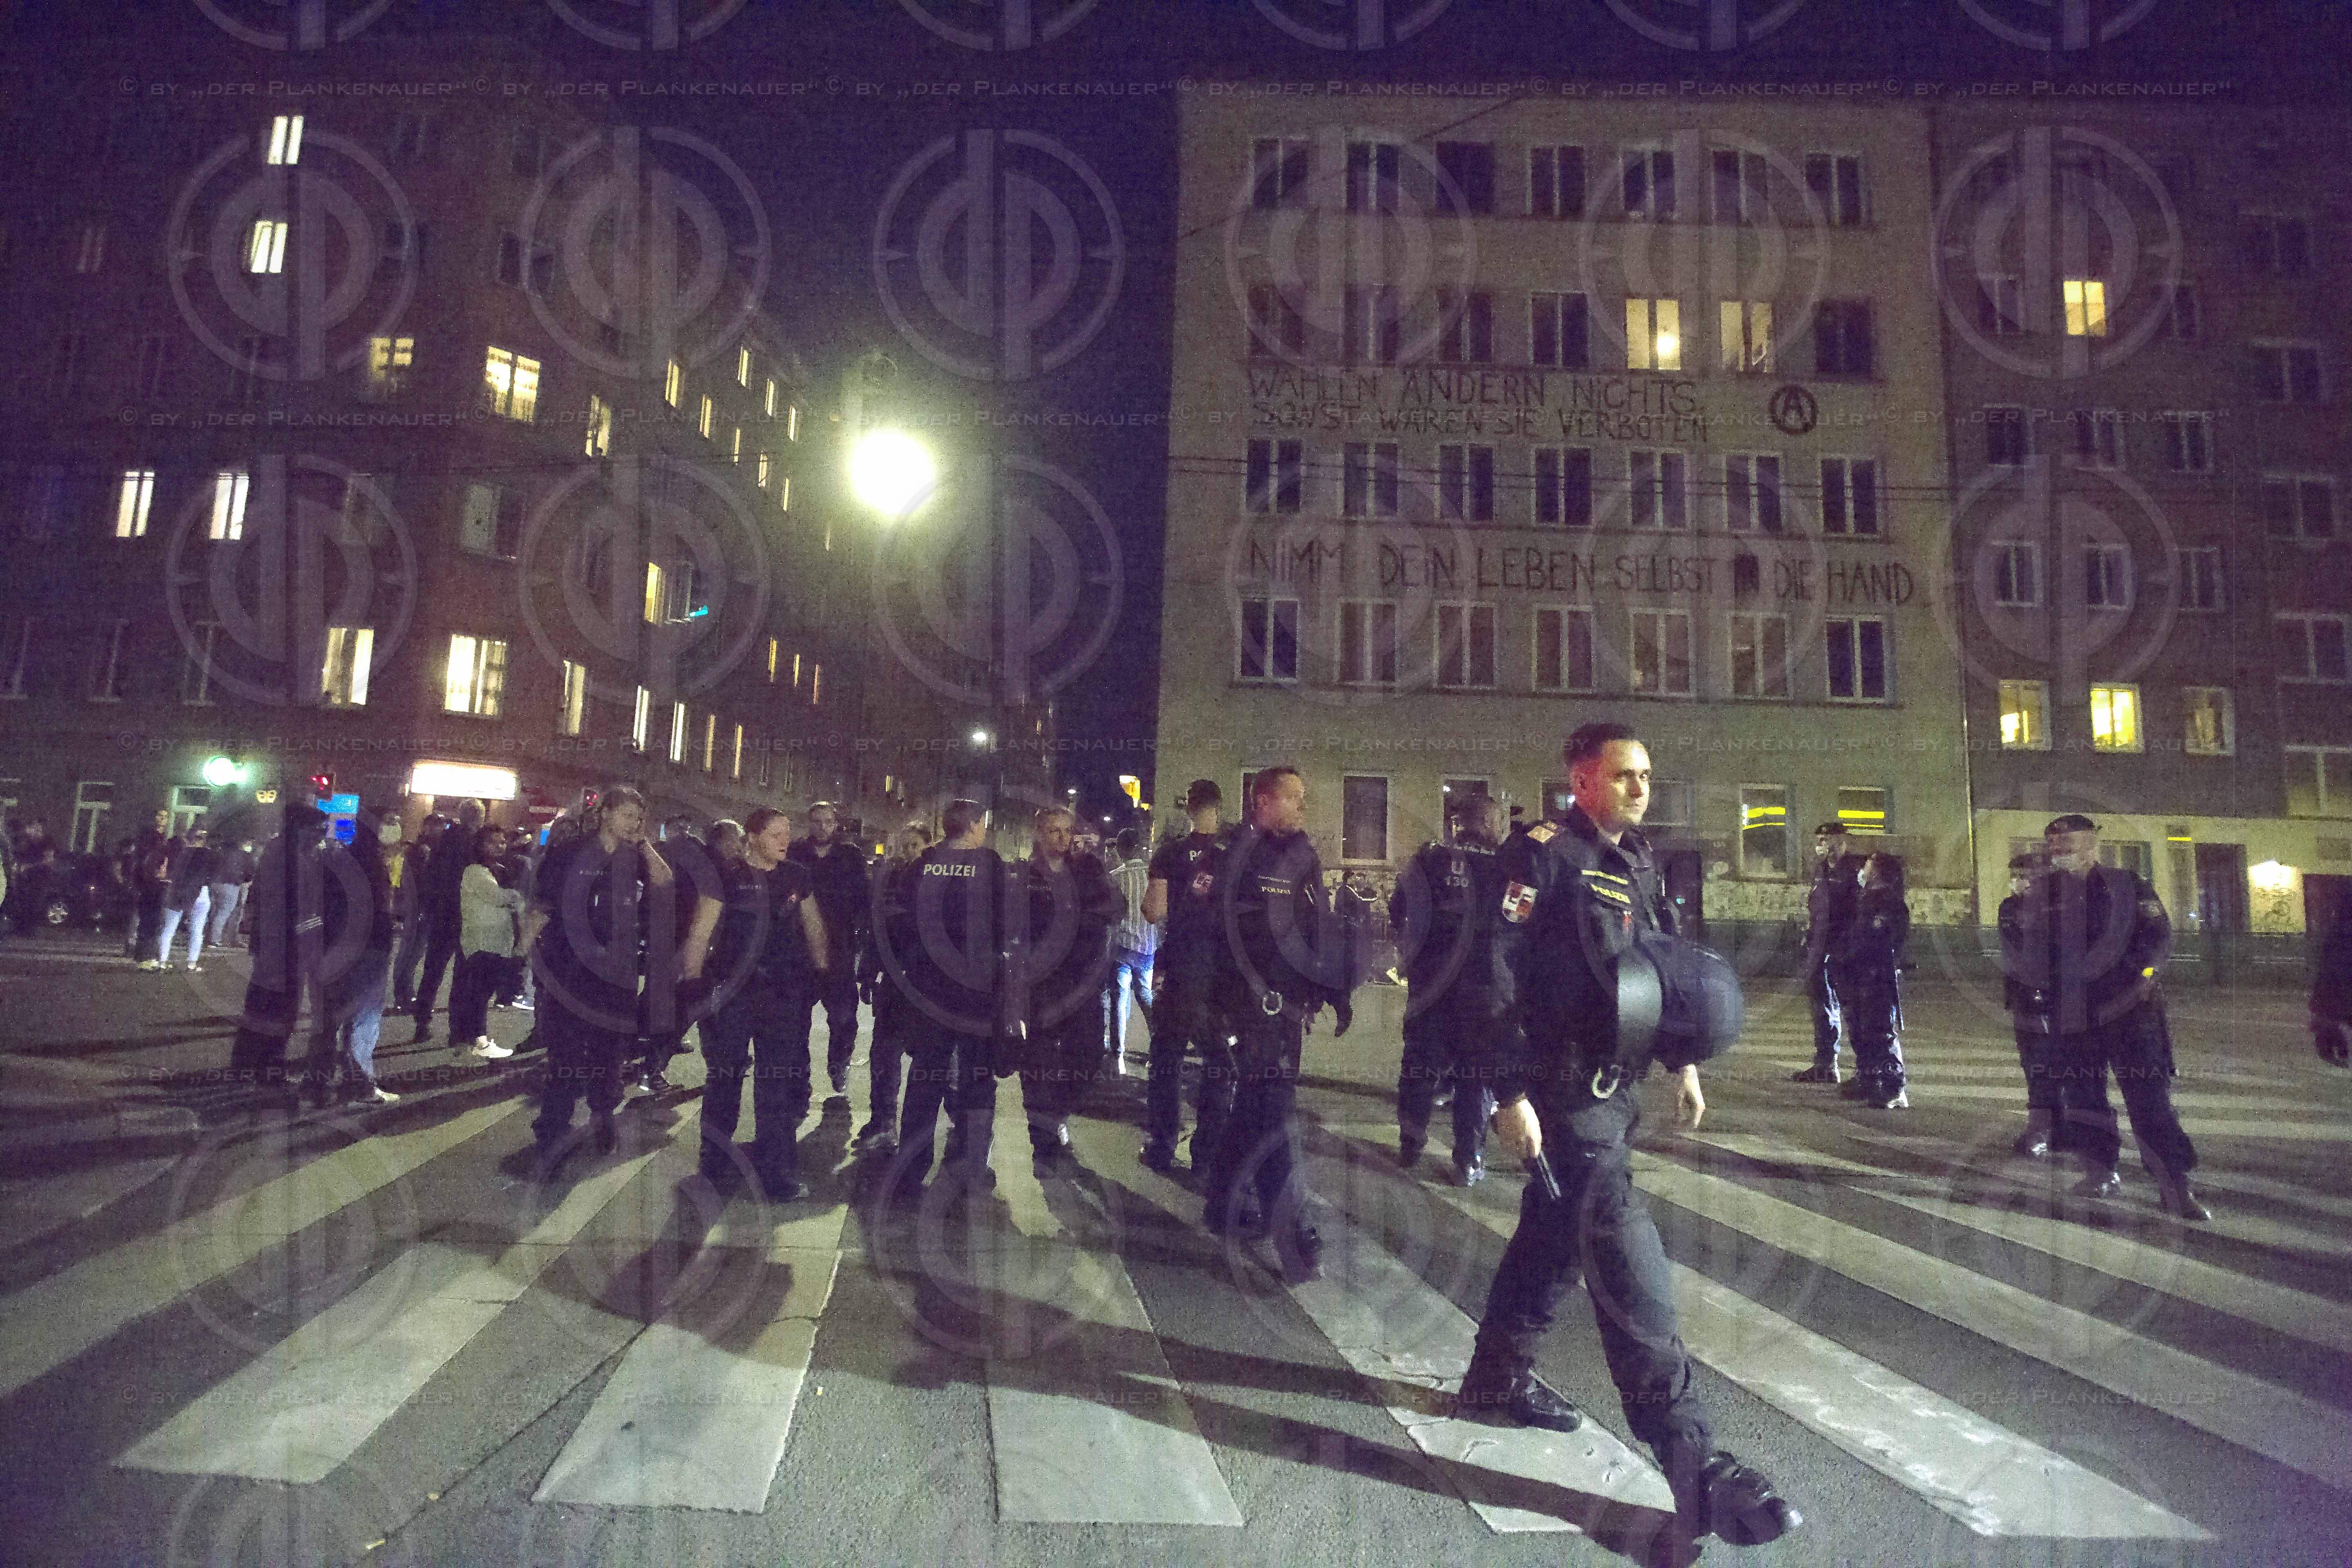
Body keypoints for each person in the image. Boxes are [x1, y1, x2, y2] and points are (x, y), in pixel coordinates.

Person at [1456, 720, 1799, 1552]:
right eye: (1622, 775)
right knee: (1621, 1252)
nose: (1639, 787)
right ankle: (1693, 1461)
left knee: (1552, 1236)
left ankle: (1495, 1379)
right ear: (1580, 779)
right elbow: (1488, 972)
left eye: (1646, 773)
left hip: (1616, 1090)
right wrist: (1506, 1092)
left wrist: (1682, 1061)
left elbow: (1656, 964)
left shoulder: (1638, 860)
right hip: (1559, 1092)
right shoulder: (1539, 858)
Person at [2007, 814, 2209, 1220]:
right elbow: (2034, 949)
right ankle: (2100, 1172)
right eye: (2056, 846)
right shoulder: (2045, 894)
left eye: (2070, 844)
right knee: (2084, 1098)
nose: (2061, 852)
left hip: (2131, 1010)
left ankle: (2175, 1186)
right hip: (2073, 1014)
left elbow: (2158, 938)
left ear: (2092, 845)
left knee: (2150, 1100)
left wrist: (2145, 976)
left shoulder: (2127, 885)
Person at [1203, 766, 1354, 1283]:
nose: (1303, 807)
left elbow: (1315, 929)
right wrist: (1211, 1010)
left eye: (1304, 798)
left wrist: (1329, 992)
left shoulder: (1304, 857)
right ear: (1262, 801)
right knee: (1276, 1116)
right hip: (1246, 1010)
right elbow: (1211, 937)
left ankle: (1221, 1204)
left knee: (1254, 1110)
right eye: (1294, 798)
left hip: (1287, 1010)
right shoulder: (1234, 856)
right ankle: (1296, 1239)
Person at [682, 806, 829, 1198]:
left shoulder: (797, 876)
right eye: (776, 835)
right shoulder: (727, 876)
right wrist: (693, 981)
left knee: (776, 1085)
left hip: (782, 994)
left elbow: (813, 925)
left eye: (787, 833)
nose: (785, 841)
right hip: (733, 993)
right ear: (754, 836)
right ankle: (713, 1163)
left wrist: (822, 969)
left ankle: (775, 1172)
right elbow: (702, 929)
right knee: (725, 1079)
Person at [526, 786, 672, 1161]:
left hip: (618, 971)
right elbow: (543, 906)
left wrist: (643, 845)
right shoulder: (570, 852)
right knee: (567, 1051)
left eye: (638, 818)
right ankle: (553, 1128)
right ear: (605, 813)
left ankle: (603, 1115)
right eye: (626, 815)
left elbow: (664, 880)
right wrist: (520, 950)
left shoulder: (634, 856)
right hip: (570, 967)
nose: (632, 823)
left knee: (611, 1049)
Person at [886, 799, 1012, 1197]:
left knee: (925, 1077)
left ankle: (911, 1167)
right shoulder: (990, 865)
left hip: (929, 988)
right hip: (976, 991)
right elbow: (1010, 925)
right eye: (984, 824)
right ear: (974, 825)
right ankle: (972, 1166)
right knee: (977, 1079)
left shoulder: (921, 865)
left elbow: (902, 921)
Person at [1388, 795, 1509, 1186]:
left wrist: (1411, 948)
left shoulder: (1431, 859)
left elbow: (1398, 907)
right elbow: (1521, 927)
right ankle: (1469, 1160)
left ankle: (1411, 1143)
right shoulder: (1507, 866)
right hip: (1483, 989)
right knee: (1477, 1074)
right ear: (1491, 824)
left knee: (1420, 1065)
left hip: (1431, 985)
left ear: (1461, 824)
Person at [1013, 806, 1124, 1175]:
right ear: (1038, 833)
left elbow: (1113, 907)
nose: (1061, 839)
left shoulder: (1086, 869)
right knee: (1038, 1066)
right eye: (1053, 832)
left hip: (1081, 983)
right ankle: (1042, 1145)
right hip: (1040, 985)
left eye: (1066, 832)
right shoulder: (1024, 876)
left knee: (1089, 1055)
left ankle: (1059, 1113)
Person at [1139, 779, 1236, 1175]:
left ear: (1189, 807)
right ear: (1218, 806)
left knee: (1167, 1058)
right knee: (1219, 1061)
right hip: (1221, 973)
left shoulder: (1170, 854)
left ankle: (1163, 1145)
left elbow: (1153, 912)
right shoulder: (1234, 857)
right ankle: (1207, 1151)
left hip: (1180, 967)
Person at [226, 802, 335, 1107]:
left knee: (260, 1005)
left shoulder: (278, 850)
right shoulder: (295, 858)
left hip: (272, 941)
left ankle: (245, 1064)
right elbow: (303, 905)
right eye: (318, 829)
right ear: (301, 828)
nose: (322, 835)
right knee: (280, 1009)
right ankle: (269, 1068)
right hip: (288, 944)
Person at [853, 820, 935, 1153]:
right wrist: (868, 973)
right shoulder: (888, 882)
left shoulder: (937, 882)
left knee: (927, 1062)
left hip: (926, 985)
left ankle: (918, 1133)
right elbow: (878, 929)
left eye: (915, 846)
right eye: (903, 846)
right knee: (884, 1054)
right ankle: (883, 1122)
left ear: (928, 847)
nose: (908, 852)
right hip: (893, 981)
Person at [309, 808, 400, 1106]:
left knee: (329, 1020)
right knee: (363, 1020)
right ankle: (359, 1086)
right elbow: (377, 911)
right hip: (367, 948)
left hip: (333, 947)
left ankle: (317, 1086)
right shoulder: (372, 864)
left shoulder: (336, 859)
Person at [787, 801, 871, 1102]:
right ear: (808, 823)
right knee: (796, 1020)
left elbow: (864, 898)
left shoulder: (850, 856)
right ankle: (800, 1081)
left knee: (844, 1016)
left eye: (828, 822)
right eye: (816, 821)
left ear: (836, 824)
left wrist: (860, 934)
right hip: (800, 949)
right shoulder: (796, 853)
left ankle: (839, 1063)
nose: (822, 827)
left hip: (840, 948)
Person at [1831, 851, 1910, 1109]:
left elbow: (1886, 940)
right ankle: (1867, 1077)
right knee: (1860, 1029)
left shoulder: (1890, 903)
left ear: (1877, 872)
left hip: (1877, 975)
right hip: (1856, 973)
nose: (1862, 870)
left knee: (1880, 1031)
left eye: (1867, 866)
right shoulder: (1863, 899)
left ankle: (1893, 1087)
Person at [1998, 853, 2065, 1156]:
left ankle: (2053, 1128)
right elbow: (2017, 946)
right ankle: (2044, 1126)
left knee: (2057, 1064)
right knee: (2035, 1063)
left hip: (2060, 997)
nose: (2018, 881)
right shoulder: (2010, 908)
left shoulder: (2060, 908)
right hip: (2026, 995)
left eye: (2025, 875)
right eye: (2015, 875)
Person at [411, 800, 486, 1042]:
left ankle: (422, 1022)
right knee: (462, 976)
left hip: (444, 915)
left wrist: (431, 908)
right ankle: (456, 1028)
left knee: (433, 971)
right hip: (466, 917)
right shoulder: (478, 845)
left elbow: (430, 878)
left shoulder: (444, 841)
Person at [1790, 822, 1859, 1084]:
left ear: (1840, 841)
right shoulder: (1820, 870)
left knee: (1853, 1009)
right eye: (1818, 838)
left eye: (1825, 838)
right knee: (1821, 1006)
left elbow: (1857, 913)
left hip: (1844, 949)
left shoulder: (1854, 871)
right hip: (1819, 948)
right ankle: (1826, 1065)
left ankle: (1866, 1069)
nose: (1819, 843)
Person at [451, 824, 523, 1061]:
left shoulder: (498, 869)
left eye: (503, 841)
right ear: (481, 845)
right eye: (494, 842)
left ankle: (467, 1037)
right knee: (480, 993)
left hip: (493, 941)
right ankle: (479, 1040)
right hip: (482, 941)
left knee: (479, 992)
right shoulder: (475, 871)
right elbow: (500, 897)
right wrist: (515, 898)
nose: (500, 846)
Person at [1105, 828, 1156, 1071]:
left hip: (1122, 948)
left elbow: (1111, 915)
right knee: (1146, 997)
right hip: (1147, 948)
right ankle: (1158, 1051)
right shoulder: (1152, 875)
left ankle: (1118, 1058)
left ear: (1122, 849)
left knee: (1119, 999)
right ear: (1139, 847)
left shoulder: (1115, 877)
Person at [390, 816, 446, 1011]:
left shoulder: (421, 850)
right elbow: (420, 882)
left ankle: (405, 994)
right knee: (411, 952)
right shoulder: (422, 851)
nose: (439, 831)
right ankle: (402, 995)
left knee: (413, 952)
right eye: (436, 827)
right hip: (418, 908)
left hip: (417, 907)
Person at [155, 826, 220, 973]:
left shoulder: (178, 852)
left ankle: (162, 962)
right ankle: (192, 964)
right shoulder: (209, 855)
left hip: (177, 890)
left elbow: (167, 870)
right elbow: (214, 875)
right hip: (200, 892)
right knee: (197, 930)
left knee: (169, 928)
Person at [127, 808, 178, 968]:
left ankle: (146, 956)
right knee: (149, 920)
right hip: (150, 884)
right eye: (160, 816)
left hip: (154, 884)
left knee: (151, 921)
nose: (162, 820)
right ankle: (144, 957)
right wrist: (158, 871)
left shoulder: (160, 838)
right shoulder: (150, 838)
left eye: (165, 817)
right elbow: (149, 861)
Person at [2312, 898, 2352, 1069]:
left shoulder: (2335, 932)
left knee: (2330, 1018)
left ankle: (2333, 1050)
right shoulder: (2340, 934)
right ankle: (2336, 1050)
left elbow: (2327, 962)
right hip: (2338, 984)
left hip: (2333, 985)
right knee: (2333, 1018)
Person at [206, 831, 254, 954]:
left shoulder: (221, 853)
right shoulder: (244, 856)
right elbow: (250, 873)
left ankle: (209, 937)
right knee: (224, 913)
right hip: (231, 885)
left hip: (214, 884)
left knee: (215, 912)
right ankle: (214, 940)